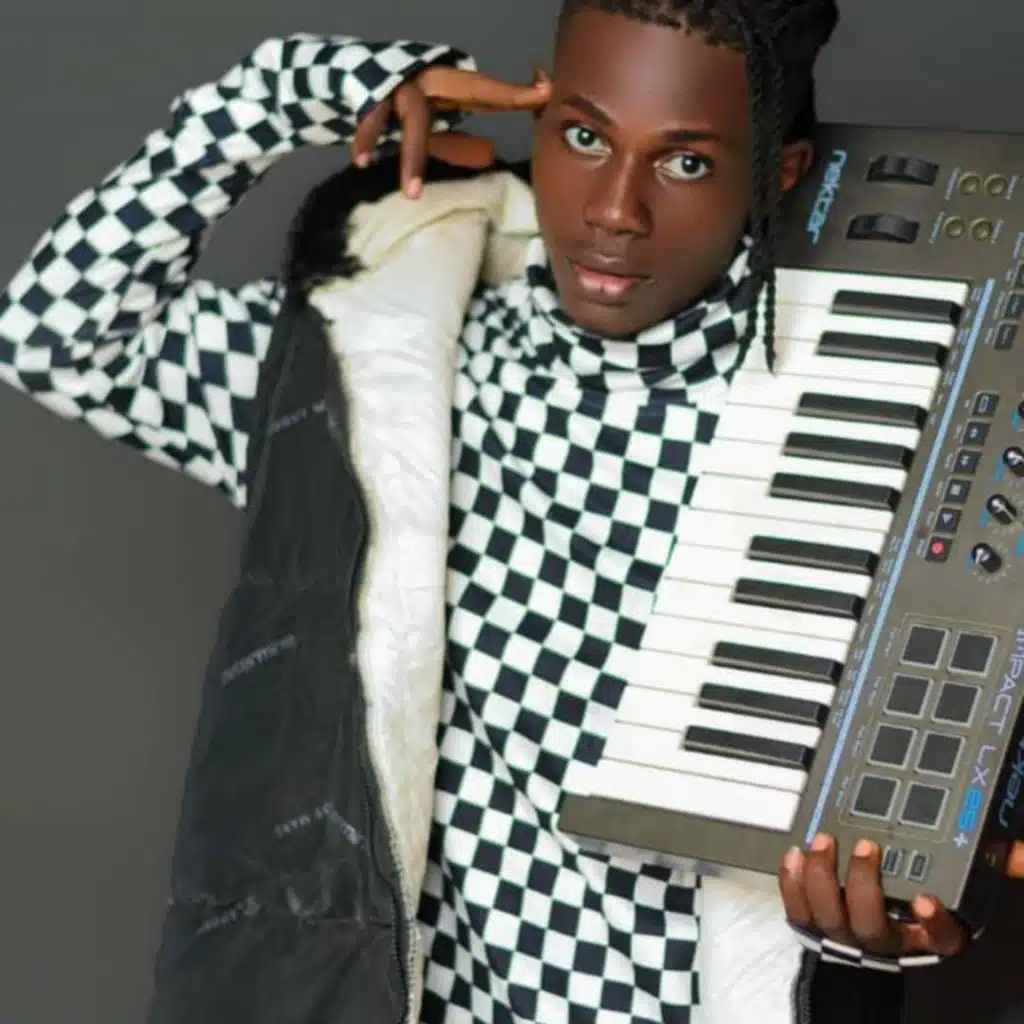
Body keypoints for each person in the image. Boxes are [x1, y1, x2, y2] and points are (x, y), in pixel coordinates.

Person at [1, 2, 1022, 1022]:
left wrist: (896, 926)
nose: (615, 210)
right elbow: (53, 335)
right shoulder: (378, 364)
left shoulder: (880, 424)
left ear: (781, 172)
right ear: (537, 114)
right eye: (584, 136)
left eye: (685, 162)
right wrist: (281, 90)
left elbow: (945, 801)